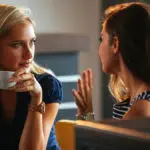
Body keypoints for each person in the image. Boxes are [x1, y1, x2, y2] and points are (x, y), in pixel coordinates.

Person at [72, 2, 150, 121]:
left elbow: (90, 141)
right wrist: (85, 113)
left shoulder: (141, 110)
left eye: (101, 39)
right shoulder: (135, 103)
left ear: (115, 44)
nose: (98, 49)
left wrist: (87, 113)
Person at [0, 4, 63, 150]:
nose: (29, 55)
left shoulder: (48, 85)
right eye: (16, 45)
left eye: (32, 42)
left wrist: (36, 97)